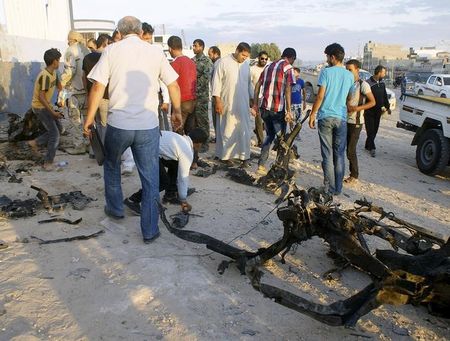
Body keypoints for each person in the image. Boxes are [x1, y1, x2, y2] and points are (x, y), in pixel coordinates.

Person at [83, 16, 182, 244]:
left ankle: (116, 209)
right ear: (139, 31)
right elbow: (173, 84)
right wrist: (176, 112)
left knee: (111, 165)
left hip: (119, 124)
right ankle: (149, 230)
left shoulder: (111, 51)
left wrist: (89, 119)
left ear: (119, 31)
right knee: (150, 179)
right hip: (148, 125)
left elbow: (98, 86)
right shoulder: (155, 52)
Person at [123, 128, 208, 215]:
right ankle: (132, 200)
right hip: (147, 151)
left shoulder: (180, 138)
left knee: (176, 163)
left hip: (148, 146)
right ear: (199, 144)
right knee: (163, 182)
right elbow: (183, 177)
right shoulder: (187, 151)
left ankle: (170, 195)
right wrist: (183, 200)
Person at [308, 43, 354, 196]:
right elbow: (350, 97)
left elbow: (320, 95)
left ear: (333, 57)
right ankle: (338, 189)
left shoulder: (326, 72)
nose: (327, 59)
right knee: (339, 154)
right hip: (341, 118)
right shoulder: (349, 75)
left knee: (327, 154)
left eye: (327, 57)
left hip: (326, 117)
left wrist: (313, 114)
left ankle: (329, 187)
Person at [253, 48, 297, 174]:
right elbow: (288, 90)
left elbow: (257, 86)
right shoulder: (288, 68)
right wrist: (289, 111)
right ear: (291, 58)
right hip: (277, 109)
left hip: (264, 108)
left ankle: (261, 165)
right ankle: (279, 166)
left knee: (269, 135)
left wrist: (255, 105)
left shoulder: (268, 66)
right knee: (281, 139)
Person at [212, 42, 254, 167]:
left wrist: (252, 99)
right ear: (237, 51)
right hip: (227, 103)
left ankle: (243, 156)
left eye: (247, 56)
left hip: (243, 104)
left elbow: (248, 84)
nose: (244, 58)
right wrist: (218, 101)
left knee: (243, 129)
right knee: (226, 128)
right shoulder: (222, 62)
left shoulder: (246, 65)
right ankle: (225, 157)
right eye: (243, 55)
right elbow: (216, 83)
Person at [28, 48, 63, 171]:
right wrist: (52, 112)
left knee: (59, 129)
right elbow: (41, 97)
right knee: (55, 134)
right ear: (54, 62)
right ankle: (48, 162)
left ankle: (35, 142)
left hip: (46, 106)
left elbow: (59, 87)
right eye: (59, 60)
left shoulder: (53, 73)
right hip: (40, 107)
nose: (60, 63)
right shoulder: (45, 76)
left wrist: (61, 97)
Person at [344, 59, 375, 184]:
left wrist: (357, 108)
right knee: (344, 149)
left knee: (351, 150)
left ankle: (354, 175)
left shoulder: (363, 85)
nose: (348, 72)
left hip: (356, 122)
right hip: (344, 120)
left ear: (357, 70)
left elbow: (372, 102)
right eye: (346, 70)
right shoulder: (348, 83)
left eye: (350, 70)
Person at [60, 30, 90, 155]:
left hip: (74, 92)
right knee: (87, 119)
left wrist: (61, 85)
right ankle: (89, 143)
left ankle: (79, 145)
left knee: (75, 119)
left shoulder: (70, 50)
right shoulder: (86, 50)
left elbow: (69, 71)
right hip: (87, 91)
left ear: (70, 39)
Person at [82, 34, 112, 144]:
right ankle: (105, 151)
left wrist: (87, 92)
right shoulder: (106, 57)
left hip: (92, 97)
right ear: (105, 44)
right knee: (105, 126)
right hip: (105, 97)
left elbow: (84, 77)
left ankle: (95, 151)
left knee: (95, 124)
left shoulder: (87, 58)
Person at [168, 35, 197, 135]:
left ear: (170, 48)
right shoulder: (191, 62)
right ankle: (192, 150)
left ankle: (179, 151)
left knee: (177, 131)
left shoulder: (174, 63)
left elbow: (172, 84)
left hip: (181, 102)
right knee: (190, 132)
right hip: (192, 101)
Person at [364, 65, 391, 157]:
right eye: (384, 73)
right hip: (369, 111)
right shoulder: (367, 83)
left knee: (375, 130)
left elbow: (384, 96)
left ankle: (368, 145)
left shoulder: (382, 83)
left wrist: (388, 107)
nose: (384, 74)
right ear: (379, 73)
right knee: (370, 130)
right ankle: (372, 148)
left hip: (378, 112)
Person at [192, 39, 213, 154]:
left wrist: (196, 89)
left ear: (201, 47)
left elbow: (205, 79)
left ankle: (205, 143)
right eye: (193, 46)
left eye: (195, 46)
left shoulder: (206, 61)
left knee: (203, 121)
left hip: (202, 96)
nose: (194, 48)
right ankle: (196, 142)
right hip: (192, 96)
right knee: (194, 121)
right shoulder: (192, 60)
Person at [250, 51, 269, 146]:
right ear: (258, 58)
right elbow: (248, 84)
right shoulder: (252, 69)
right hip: (255, 98)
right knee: (258, 120)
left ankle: (257, 130)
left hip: (266, 98)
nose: (264, 60)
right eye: (262, 58)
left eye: (266, 59)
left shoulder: (268, 69)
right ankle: (261, 141)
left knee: (267, 119)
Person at [208, 46, 221, 141]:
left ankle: (218, 138)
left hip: (217, 97)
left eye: (210, 54)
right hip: (216, 96)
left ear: (216, 53)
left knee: (217, 119)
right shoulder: (217, 63)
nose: (209, 56)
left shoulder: (218, 64)